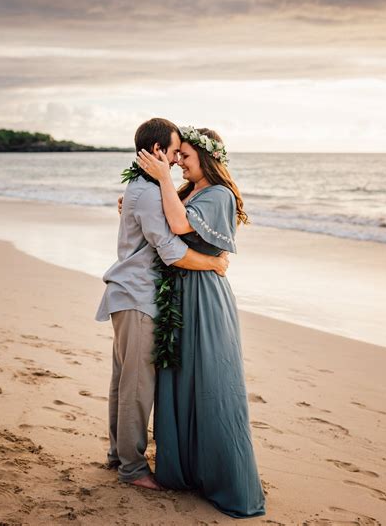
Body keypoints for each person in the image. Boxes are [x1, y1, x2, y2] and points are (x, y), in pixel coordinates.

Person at [137, 126, 266, 518]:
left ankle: (226, 480)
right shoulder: (188, 192)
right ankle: (182, 472)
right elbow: (161, 219)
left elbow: (178, 227)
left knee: (213, 382)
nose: (178, 163)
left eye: (186, 158)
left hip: (206, 298)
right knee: (178, 379)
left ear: (206, 159)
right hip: (178, 295)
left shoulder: (218, 195)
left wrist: (160, 178)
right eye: (178, 157)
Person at [95, 118, 230, 491]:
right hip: (138, 297)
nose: (174, 161)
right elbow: (171, 251)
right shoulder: (149, 192)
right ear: (157, 151)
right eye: (172, 153)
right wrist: (214, 262)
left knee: (124, 381)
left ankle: (118, 455)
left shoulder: (142, 187)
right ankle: (133, 469)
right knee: (136, 386)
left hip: (130, 294)